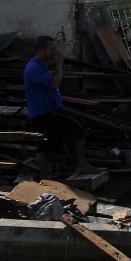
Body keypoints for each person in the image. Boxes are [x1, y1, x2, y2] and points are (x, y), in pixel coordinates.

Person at [24, 36, 93, 179]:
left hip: (42, 112)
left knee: (44, 145)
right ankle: (82, 163)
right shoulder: (33, 68)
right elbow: (55, 83)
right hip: (47, 111)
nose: (54, 52)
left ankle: (44, 176)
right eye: (51, 49)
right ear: (41, 50)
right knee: (80, 127)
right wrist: (59, 65)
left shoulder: (40, 65)